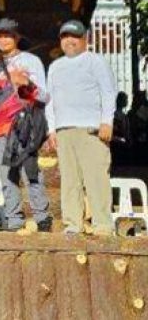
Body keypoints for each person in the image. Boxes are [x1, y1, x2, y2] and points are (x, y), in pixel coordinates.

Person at [0, 18, 51, 231]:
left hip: (25, 127)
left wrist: (27, 84)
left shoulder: (31, 61)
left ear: (17, 37)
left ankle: (42, 218)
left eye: (7, 35)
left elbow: (45, 96)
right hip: (0, 130)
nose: (2, 39)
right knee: (7, 178)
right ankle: (13, 220)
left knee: (32, 175)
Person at [45, 19, 117, 236]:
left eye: (74, 37)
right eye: (65, 37)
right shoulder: (55, 66)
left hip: (91, 128)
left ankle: (103, 224)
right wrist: (51, 128)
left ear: (85, 39)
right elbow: (50, 99)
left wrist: (107, 121)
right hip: (64, 129)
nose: (70, 41)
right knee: (69, 180)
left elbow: (108, 92)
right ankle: (72, 224)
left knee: (96, 178)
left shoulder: (96, 62)